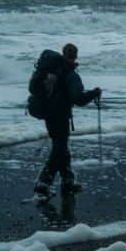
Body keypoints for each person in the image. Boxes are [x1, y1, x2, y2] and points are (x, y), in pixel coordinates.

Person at [34, 43, 101, 199]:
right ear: (75, 55)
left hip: (48, 114)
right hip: (60, 115)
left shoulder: (53, 70)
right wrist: (94, 93)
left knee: (61, 147)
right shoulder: (70, 74)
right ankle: (43, 184)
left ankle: (68, 181)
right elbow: (78, 99)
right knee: (59, 150)